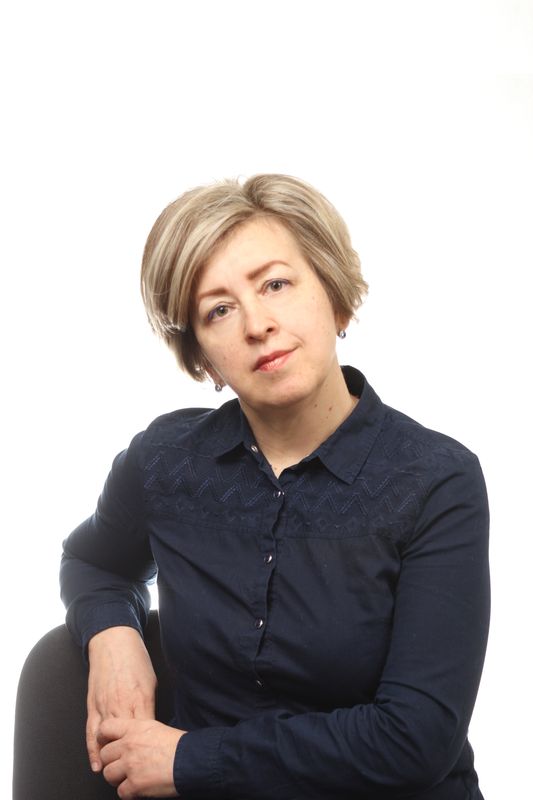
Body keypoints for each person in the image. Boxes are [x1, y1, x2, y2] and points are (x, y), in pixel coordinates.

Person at [60, 174, 490, 800]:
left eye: (275, 285)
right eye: (219, 309)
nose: (257, 324)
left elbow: (414, 739)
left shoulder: (435, 480)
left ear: (335, 298)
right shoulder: (166, 461)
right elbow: (91, 561)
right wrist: (113, 636)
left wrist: (190, 759)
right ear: (201, 357)